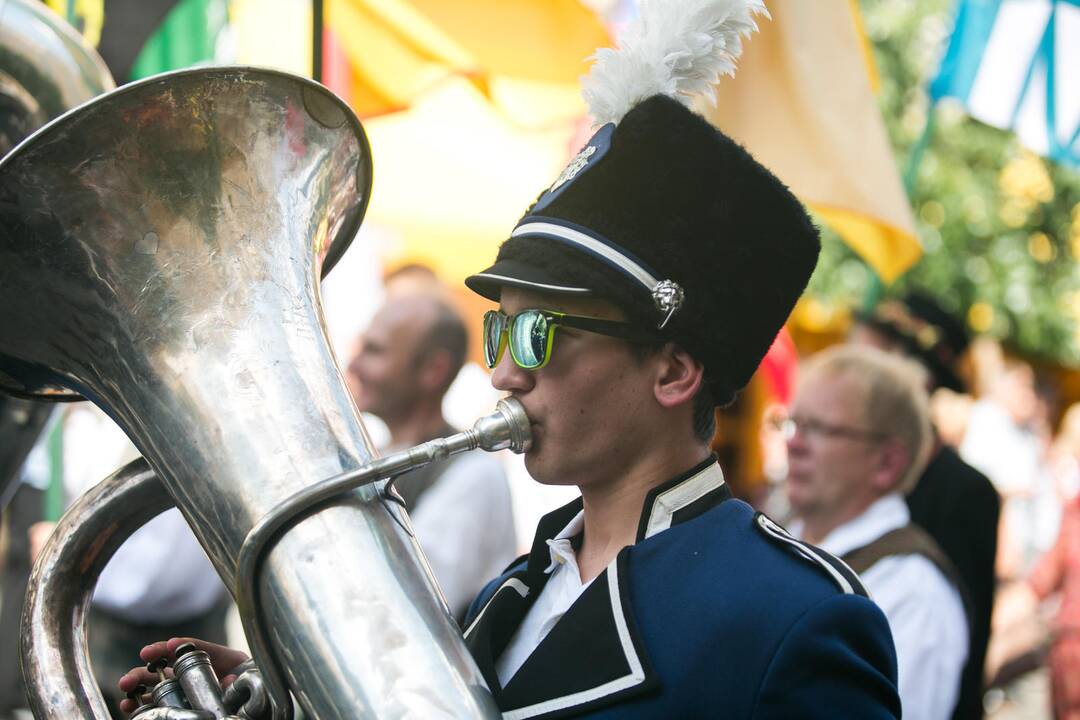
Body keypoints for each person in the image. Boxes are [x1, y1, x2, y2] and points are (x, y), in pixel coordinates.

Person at [121, 1, 901, 715]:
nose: (502, 374)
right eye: (500, 332)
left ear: (672, 371)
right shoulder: (511, 595)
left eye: (539, 335)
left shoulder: (794, 617)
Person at [784, 345, 969, 720]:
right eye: (792, 423)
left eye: (818, 428)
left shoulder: (914, 592)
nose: (793, 444)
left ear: (887, 463)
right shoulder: (783, 539)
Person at [852, 292, 1000, 720]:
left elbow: (955, 648)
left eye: (868, 365)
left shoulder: (966, 493)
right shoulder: (843, 474)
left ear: (915, 382)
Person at [346, 293, 516, 620]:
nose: (354, 365)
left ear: (432, 370)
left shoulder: (476, 475)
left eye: (374, 351)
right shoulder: (372, 453)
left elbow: (407, 602)